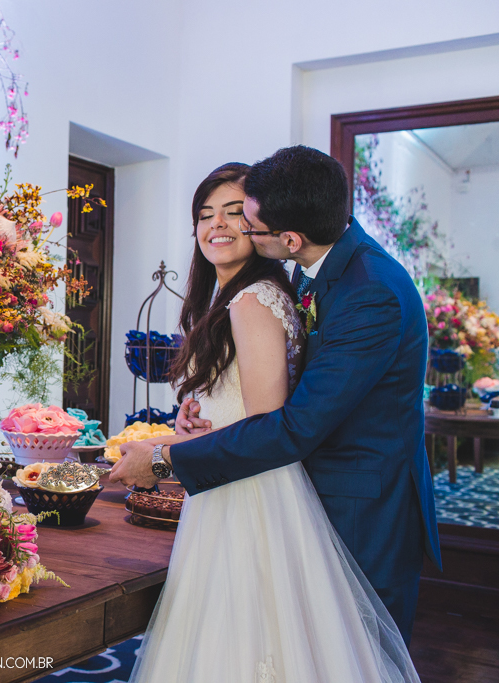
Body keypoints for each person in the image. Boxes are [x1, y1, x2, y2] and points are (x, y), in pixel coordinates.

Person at [110, 154, 426, 682]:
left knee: (348, 656)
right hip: (292, 479)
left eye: (245, 218)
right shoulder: (315, 275)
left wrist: (166, 459)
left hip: (359, 503)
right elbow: (287, 390)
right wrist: (208, 415)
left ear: (290, 238)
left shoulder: (367, 291)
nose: (232, 228)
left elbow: (291, 423)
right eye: (208, 213)